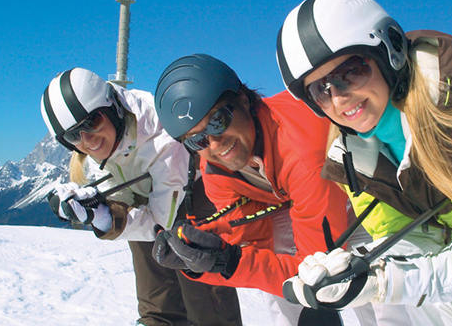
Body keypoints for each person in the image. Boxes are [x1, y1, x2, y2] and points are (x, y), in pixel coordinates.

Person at [276, 0, 452, 324]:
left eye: (350, 72)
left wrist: (384, 283)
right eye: (320, 89)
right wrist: (358, 268)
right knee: (435, 309)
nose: (338, 98)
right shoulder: (354, 158)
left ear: (389, 51)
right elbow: (410, 238)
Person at [152, 54, 368, 325]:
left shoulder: (301, 150)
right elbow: (256, 245)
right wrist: (208, 259)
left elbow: (318, 269)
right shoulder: (216, 171)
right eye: (197, 140)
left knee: (365, 281)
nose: (215, 144)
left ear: (243, 99)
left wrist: (231, 263)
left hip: (360, 193)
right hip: (304, 201)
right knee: (282, 263)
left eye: (218, 121)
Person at [40, 67, 242, 326]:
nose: (87, 140)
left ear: (112, 108)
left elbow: (159, 224)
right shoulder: (97, 149)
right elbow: (125, 208)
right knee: (153, 282)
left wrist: (107, 218)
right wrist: (97, 210)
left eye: (92, 122)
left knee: (196, 264)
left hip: (190, 190)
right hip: (146, 195)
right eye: (72, 135)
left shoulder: (160, 136)